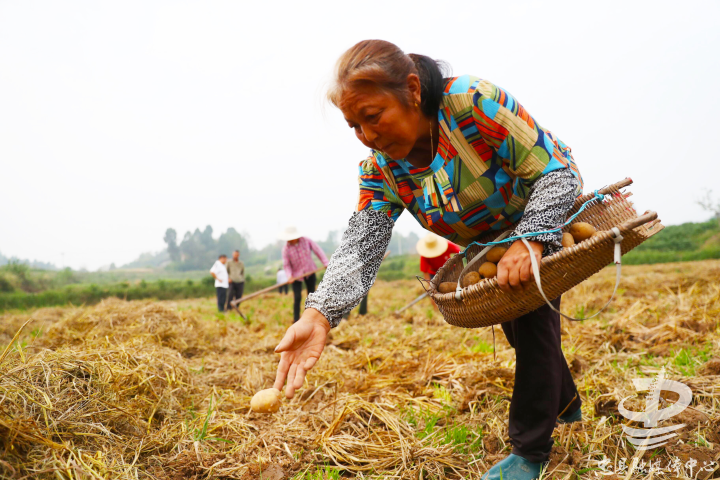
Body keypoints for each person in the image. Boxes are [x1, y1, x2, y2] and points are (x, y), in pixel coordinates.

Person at [273, 40, 585, 480]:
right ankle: (566, 403)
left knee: (532, 324)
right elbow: (362, 243)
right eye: (354, 126)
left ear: (413, 90)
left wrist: (532, 239)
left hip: (539, 213)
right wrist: (319, 314)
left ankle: (530, 451)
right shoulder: (381, 170)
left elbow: (556, 172)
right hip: (486, 247)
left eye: (373, 116)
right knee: (519, 326)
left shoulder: (472, 104)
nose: (368, 135)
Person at [280, 226, 329, 322]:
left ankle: (311, 318)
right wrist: (289, 276)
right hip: (296, 276)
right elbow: (286, 265)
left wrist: (325, 262)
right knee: (297, 297)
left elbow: (317, 250)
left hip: (309, 270)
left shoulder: (306, 241)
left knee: (312, 296)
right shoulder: (286, 249)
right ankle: (296, 320)